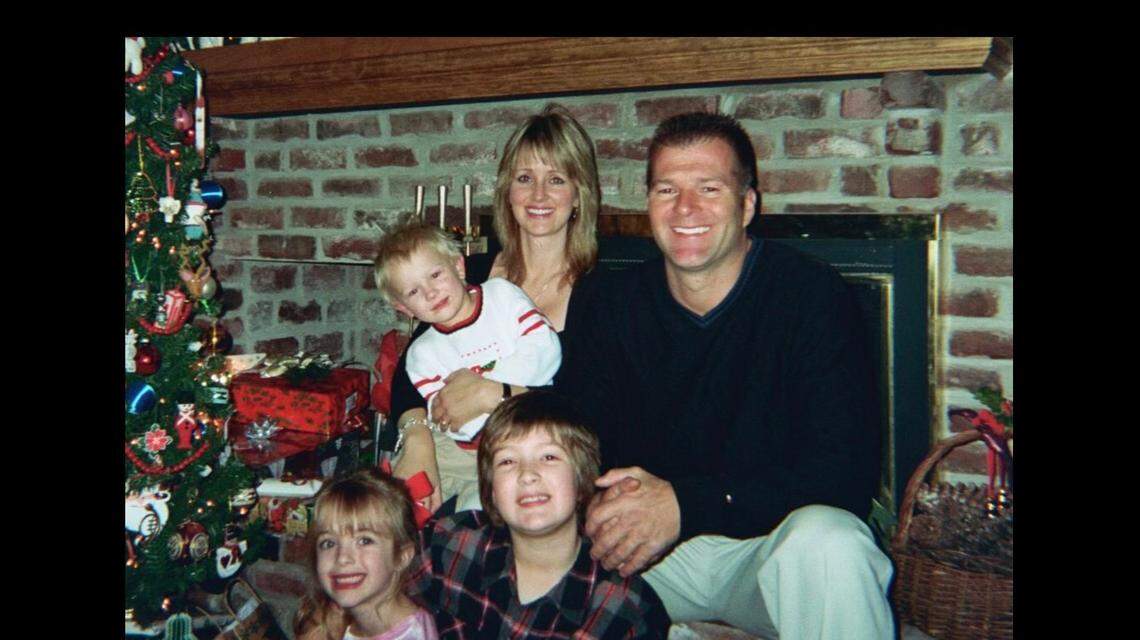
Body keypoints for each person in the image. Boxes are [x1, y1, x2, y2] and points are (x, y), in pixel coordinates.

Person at [556, 112, 895, 639]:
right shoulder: (608, 301)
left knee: (833, 542)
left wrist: (687, 505)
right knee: (533, 536)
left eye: (708, 188)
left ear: (747, 205)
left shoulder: (810, 297)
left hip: (766, 555)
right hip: (648, 554)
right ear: (648, 204)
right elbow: (576, 435)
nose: (685, 209)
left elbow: (844, 476)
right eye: (667, 189)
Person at [388, 103, 604, 515]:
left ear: (579, 195)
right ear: (508, 190)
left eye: (556, 179)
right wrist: (417, 443)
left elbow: (593, 409)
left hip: (542, 475)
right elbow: (409, 371)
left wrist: (494, 394)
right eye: (525, 178)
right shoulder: (470, 273)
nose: (539, 195)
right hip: (452, 450)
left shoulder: (601, 294)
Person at [412, 391, 671, 639]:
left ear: (583, 481)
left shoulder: (624, 608)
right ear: (490, 490)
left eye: (548, 457)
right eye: (507, 461)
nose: (527, 474)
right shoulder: (448, 543)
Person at [373, 221, 562, 510]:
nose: (431, 293)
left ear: (459, 268)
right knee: (398, 499)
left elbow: (545, 351)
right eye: (413, 292)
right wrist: (481, 401)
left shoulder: (502, 296)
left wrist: (486, 390)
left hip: (528, 433)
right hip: (461, 449)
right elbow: (451, 420)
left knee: (482, 505)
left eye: (435, 275)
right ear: (405, 309)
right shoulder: (421, 354)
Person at [294, 468, 456, 640]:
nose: (342, 557)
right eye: (329, 543)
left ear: (402, 556)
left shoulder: (412, 635)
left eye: (364, 540)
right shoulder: (334, 618)